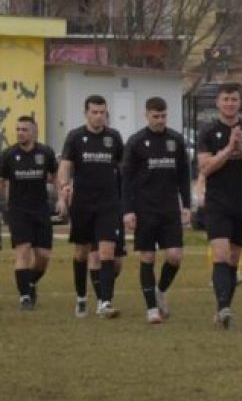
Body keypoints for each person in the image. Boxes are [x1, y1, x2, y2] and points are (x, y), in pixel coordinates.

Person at [122, 96, 191, 324]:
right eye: (155, 116)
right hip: (145, 208)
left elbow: (183, 175)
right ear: (147, 115)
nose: (160, 120)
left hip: (170, 208)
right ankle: (151, 309)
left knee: (174, 256)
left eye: (163, 116)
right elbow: (127, 180)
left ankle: (161, 291)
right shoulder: (136, 141)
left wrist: (187, 205)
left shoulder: (176, 140)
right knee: (148, 256)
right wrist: (128, 210)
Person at [198, 82, 242, 328]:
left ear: (239, 103)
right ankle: (223, 308)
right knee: (221, 254)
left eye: (234, 99)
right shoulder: (208, 132)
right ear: (218, 102)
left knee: (234, 258)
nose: (230, 103)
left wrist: (241, 148)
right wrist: (227, 150)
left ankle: (224, 306)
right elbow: (205, 167)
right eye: (226, 99)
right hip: (217, 204)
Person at [58, 94, 124, 318]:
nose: (99, 117)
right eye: (94, 112)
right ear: (86, 113)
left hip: (108, 203)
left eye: (102, 112)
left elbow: (122, 167)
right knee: (81, 252)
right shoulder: (75, 137)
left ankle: (105, 302)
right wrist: (65, 185)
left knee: (107, 251)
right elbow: (65, 164)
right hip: (83, 203)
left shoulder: (114, 137)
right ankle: (81, 297)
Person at [0, 115, 58, 308]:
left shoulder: (46, 153)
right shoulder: (8, 155)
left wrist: (62, 199)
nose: (20, 133)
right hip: (18, 211)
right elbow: (2, 181)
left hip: (41, 210)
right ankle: (25, 297)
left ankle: (30, 282)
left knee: (43, 257)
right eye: (17, 129)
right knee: (23, 251)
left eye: (24, 129)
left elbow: (55, 176)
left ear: (34, 131)